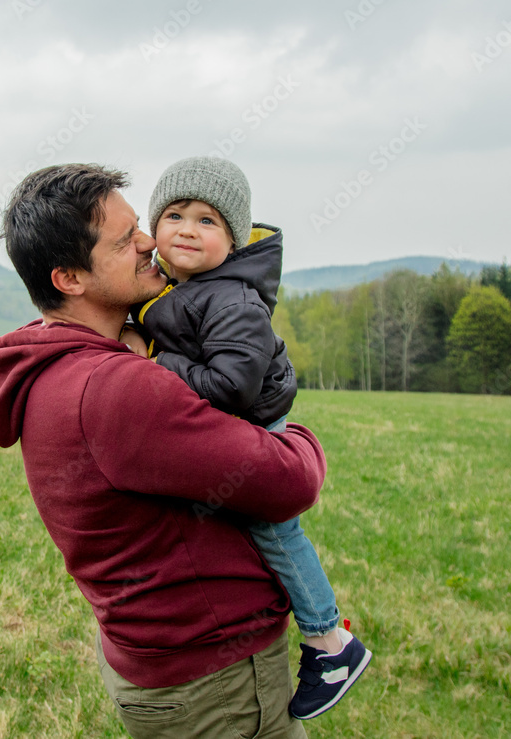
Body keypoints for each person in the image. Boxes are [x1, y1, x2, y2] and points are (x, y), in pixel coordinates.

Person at [0, 163, 325, 738]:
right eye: (125, 240)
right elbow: (290, 482)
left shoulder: (53, 366)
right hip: (214, 681)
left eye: (141, 225)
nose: (149, 244)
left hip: (163, 663)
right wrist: (294, 434)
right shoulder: (120, 387)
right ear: (69, 278)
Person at [129, 156, 372, 720]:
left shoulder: (234, 299)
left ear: (234, 241)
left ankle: (330, 642)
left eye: (208, 221)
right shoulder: (185, 285)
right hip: (232, 422)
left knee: (273, 526)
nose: (188, 229)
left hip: (254, 421)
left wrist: (155, 364)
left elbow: (231, 386)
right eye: (175, 214)